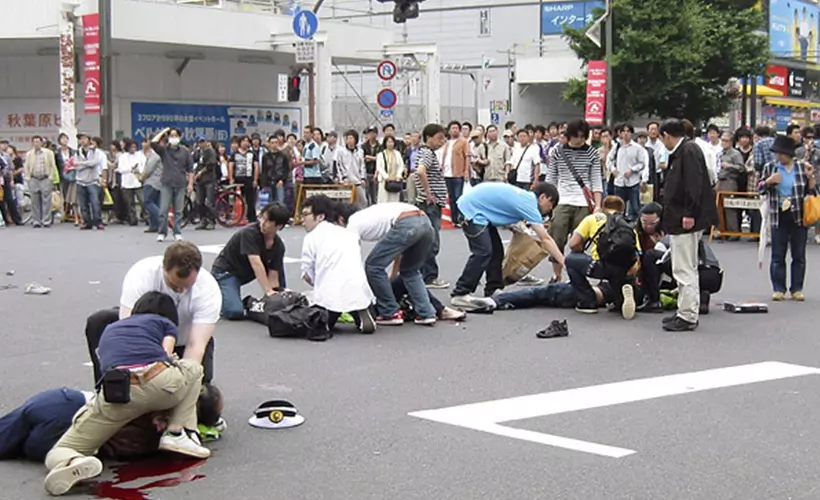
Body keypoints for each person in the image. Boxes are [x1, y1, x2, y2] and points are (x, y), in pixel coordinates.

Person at [44, 291, 210, 496]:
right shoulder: (163, 322)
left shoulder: (110, 329)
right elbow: (166, 353)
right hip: (156, 382)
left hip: (117, 393)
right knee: (193, 369)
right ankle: (176, 433)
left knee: (63, 447)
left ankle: (74, 460)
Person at [84, 241, 221, 384]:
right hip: (145, 340)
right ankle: (104, 385)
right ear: (164, 269)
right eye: (174, 286)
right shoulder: (141, 274)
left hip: (184, 342)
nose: (181, 291)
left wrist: (182, 384)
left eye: (187, 286)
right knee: (99, 322)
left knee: (200, 395)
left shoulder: (208, 289)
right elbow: (129, 332)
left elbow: (195, 345)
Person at [0, 384, 223, 463]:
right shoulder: (163, 429)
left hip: (63, 400)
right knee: (30, 447)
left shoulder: (164, 392)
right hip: (67, 420)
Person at [450, 182, 563, 308]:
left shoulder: (524, 197)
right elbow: (545, 239)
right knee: (483, 252)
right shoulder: (530, 205)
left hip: (478, 208)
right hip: (471, 210)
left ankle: (493, 289)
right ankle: (460, 293)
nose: (549, 210)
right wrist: (564, 262)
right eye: (551, 205)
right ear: (543, 197)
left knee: (497, 251)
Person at [658, 119, 718, 331]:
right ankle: (686, 311)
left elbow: (693, 184)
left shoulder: (687, 151)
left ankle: (687, 315)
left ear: (666, 135)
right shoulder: (687, 149)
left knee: (684, 268)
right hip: (683, 217)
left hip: (685, 218)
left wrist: (689, 212)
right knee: (686, 266)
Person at [343, 201, 437, 326]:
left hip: (406, 223)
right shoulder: (373, 215)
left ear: (340, 219)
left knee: (373, 266)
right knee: (410, 271)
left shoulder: (352, 223)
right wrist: (393, 274)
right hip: (424, 221)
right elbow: (398, 249)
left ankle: (390, 312)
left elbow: (351, 258)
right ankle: (426, 313)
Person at [300, 195, 376, 332]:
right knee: (352, 296)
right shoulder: (348, 234)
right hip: (358, 290)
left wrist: (316, 285)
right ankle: (361, 314)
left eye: (306, 215)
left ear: (320, 217)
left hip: (329, 295)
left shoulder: (311, 236)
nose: (302, 220)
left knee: (322, 311)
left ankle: (327, 320)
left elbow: (307, 274)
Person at [565, 195, 640, 319]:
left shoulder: (592, 219)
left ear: (603, 208)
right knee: (618, 278)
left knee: (571, 260)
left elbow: (573, 244)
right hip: (624, 269)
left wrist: (581, 251)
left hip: (601, 266)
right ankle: (621, 298)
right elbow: (637, 253)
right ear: (622, 209)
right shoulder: (628, 224)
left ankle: (587, 302)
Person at [760, 135, 816, 301]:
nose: (777, 157)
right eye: (776, 153)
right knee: (778, 254)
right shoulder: (770, 167)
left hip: (798, 213)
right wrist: (769, 182)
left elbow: (812, 192)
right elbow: (759, 188)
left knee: (798, 255)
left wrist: (811, 177)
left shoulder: (802, 167)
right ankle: (779, 288)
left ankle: (797, 288)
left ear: (788, 153)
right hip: (778, 214)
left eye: (780, 153)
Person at [212, 202, 289, 319]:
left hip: (243, 274)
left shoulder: (278, 245)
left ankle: (233, 298)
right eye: (262, 217)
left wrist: (275, 296)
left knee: (279, 302)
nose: (262, 223)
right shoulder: (249, 233)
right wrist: (268, 291)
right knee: (234, 312)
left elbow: (274, 274)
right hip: (226, 272)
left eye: (268, 221)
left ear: (279, 226)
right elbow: (256, 263)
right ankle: (217, 295)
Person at [151, 127, 194, 242]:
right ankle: (162, 232)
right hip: (167, 183)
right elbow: (153, 142)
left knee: (178, 210)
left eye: (175, 136)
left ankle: (177, 232)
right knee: (163, 210)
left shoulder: (185, 152)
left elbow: (190, 169)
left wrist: (190, 184)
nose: (173, 138)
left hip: (180, 183)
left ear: (179, 137)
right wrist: (163, 131)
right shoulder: (164, 150)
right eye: (171, 136)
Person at [24, 135, 58, 228]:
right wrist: (28, 178)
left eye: (38, 142)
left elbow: (52, 165)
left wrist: (51, 177)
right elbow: (26, 166)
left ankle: (46, 220)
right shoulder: (29, 154)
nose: (36, 144)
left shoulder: (48, 153)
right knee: (35, 201)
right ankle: (36, 221)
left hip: (45, 178)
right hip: (34, 178)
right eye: (34, 142)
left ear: (41, 143)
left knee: (47, 200)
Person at [193, 137, 219, 230]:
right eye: (199, 142)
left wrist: (200, 173)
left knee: (210, 202)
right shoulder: (198, 152)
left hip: (209, 179)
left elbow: (211, 165)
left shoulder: (210, 151)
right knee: (199, 201)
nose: (201, 144)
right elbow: (194, 161)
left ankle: (212, 221)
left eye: (203, 142)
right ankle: (203, 220)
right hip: (200, 181)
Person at [376, 136, 406, 203]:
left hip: (395, 180)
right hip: (384, 180)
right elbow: (379, 167)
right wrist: (386, 177)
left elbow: (401, 165)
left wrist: (398, 175)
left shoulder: (397, 154)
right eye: (388, 142)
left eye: (391, 142)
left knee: (394, 200)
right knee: (384, 200)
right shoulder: (381, 155)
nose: (390, 144)